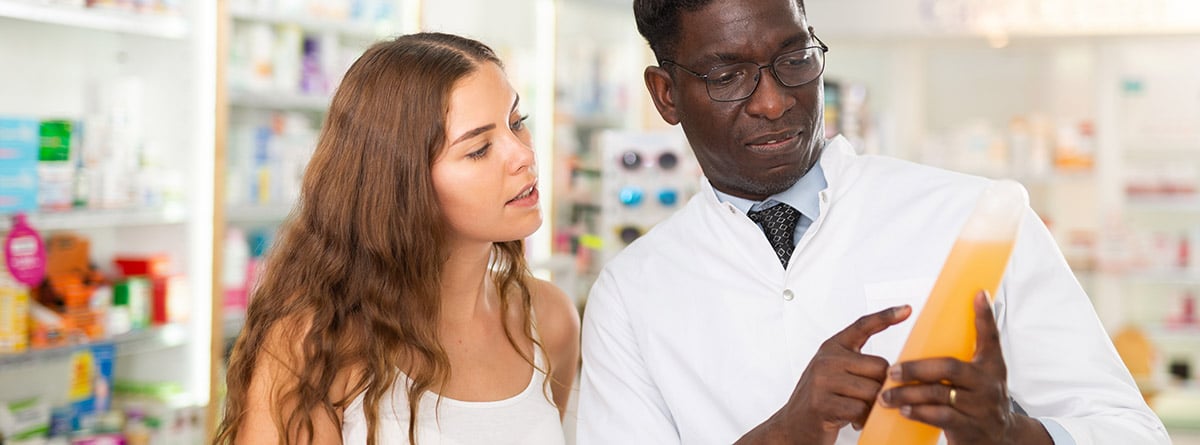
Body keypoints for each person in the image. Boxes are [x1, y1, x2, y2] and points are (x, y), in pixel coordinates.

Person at [575, 1, 1170, 444]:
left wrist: (1018, 437)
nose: (773, 101)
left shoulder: (977, 217)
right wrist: (787, 433)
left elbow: (1133, 432)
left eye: (794, 60)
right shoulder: (631, 294)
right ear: (666, 94)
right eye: (727, 76)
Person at [214, 32, 580, 445]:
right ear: (402, 184)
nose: (524, 155)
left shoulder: (550, 321)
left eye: (517, 124)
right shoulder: (318, 346)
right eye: (479, 149)